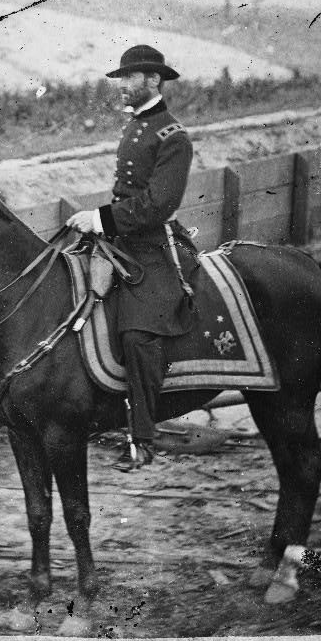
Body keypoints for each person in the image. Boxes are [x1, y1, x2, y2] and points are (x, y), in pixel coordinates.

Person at [66, 44, 194, 471]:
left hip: (153, 247)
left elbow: (157, 204)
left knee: (139, 336)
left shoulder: (172, 137)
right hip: (122, 242)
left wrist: (101, 218)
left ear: (154, 80)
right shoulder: (136, 126)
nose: (121, 85)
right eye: (120, 78)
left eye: (129, 77)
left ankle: (142, 438)